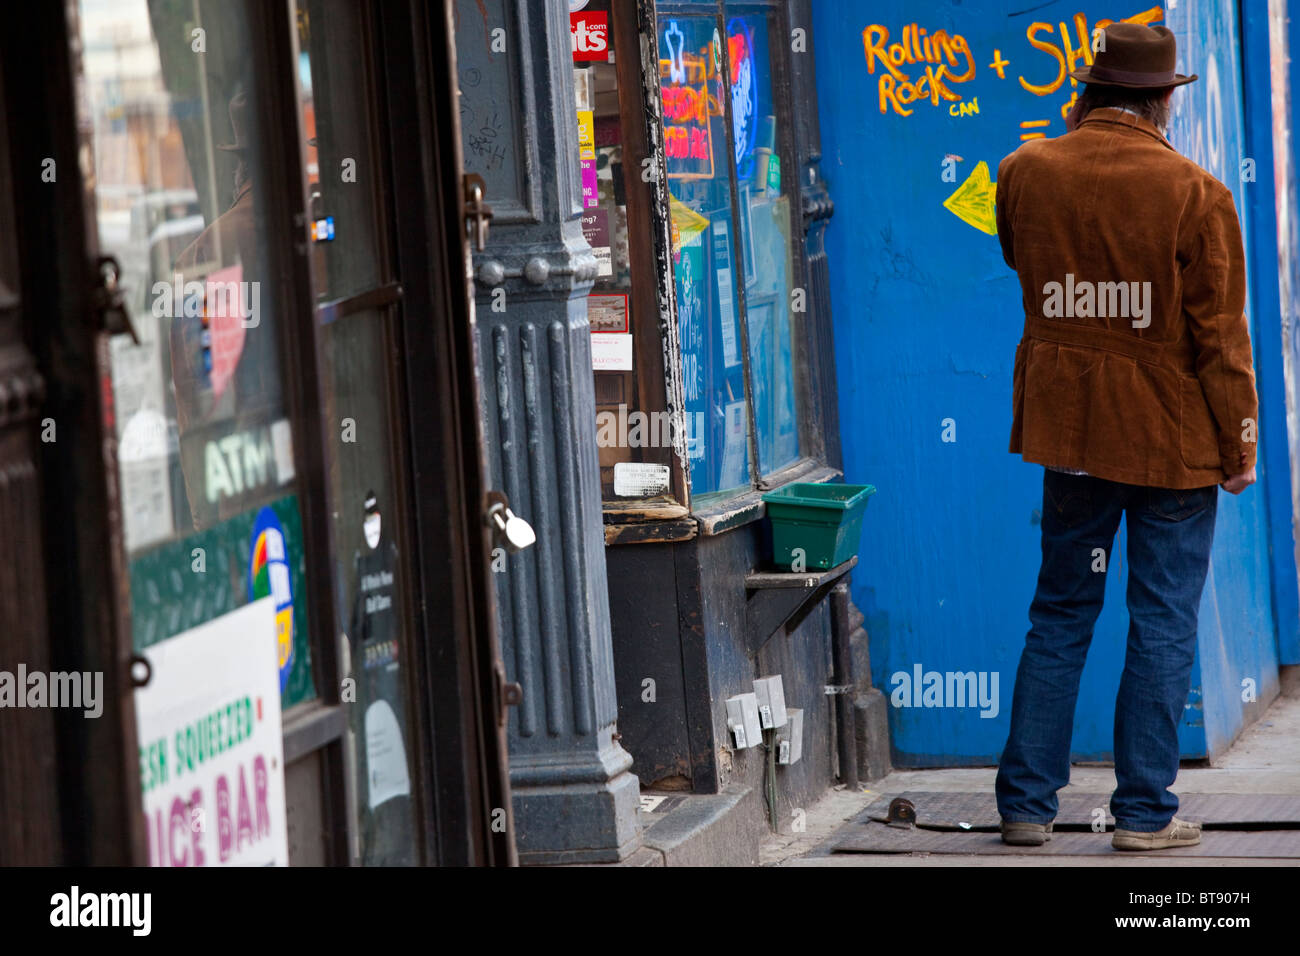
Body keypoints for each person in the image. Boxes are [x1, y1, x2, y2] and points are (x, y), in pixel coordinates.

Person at [993, 22, 1258, 851]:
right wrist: (1239, 447)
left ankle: (1027, 806)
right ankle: (1145, 817)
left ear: (1092, 91)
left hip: (1071, 428)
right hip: (1169, 441)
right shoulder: (1197, 193)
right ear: (1162, 100)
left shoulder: (1024, 172)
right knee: (1163, 617)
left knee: (1062, 609)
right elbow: (1221, 340)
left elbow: (1022, 267)